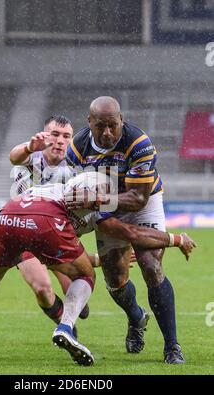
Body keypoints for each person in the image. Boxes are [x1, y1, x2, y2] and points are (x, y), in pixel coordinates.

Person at [0, 172, 196, 366]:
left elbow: (37, 239)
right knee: (86, 275)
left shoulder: (50, 187)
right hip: (46, 222)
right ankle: (65, 327)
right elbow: (132, 233)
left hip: (8, 216)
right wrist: (176, 239)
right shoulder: (96, 205)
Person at [65, 96, 187, 364]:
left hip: (143, 201)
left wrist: (97, 200)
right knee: (115, 280)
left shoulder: (138, 143)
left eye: (113, 125)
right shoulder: (76, 148)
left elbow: (138, 198)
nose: (107, 133)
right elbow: (73, 191)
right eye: (101, 127)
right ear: (90, 123)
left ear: (121, 120)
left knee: (150, 264)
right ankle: (136, 317)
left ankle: (172, 347)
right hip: (108, 207)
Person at [9, 115, 90, 335]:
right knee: (43, 290)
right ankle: (66, 328)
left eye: (66, 136)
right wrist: (28, 147)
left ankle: (69, 318)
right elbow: (14, 157)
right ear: (45, 135)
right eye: (54, 134)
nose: (60, 140)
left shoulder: (76, 166)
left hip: (57, 238)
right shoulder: (31, 157)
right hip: (25, 238)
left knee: (82, 306)